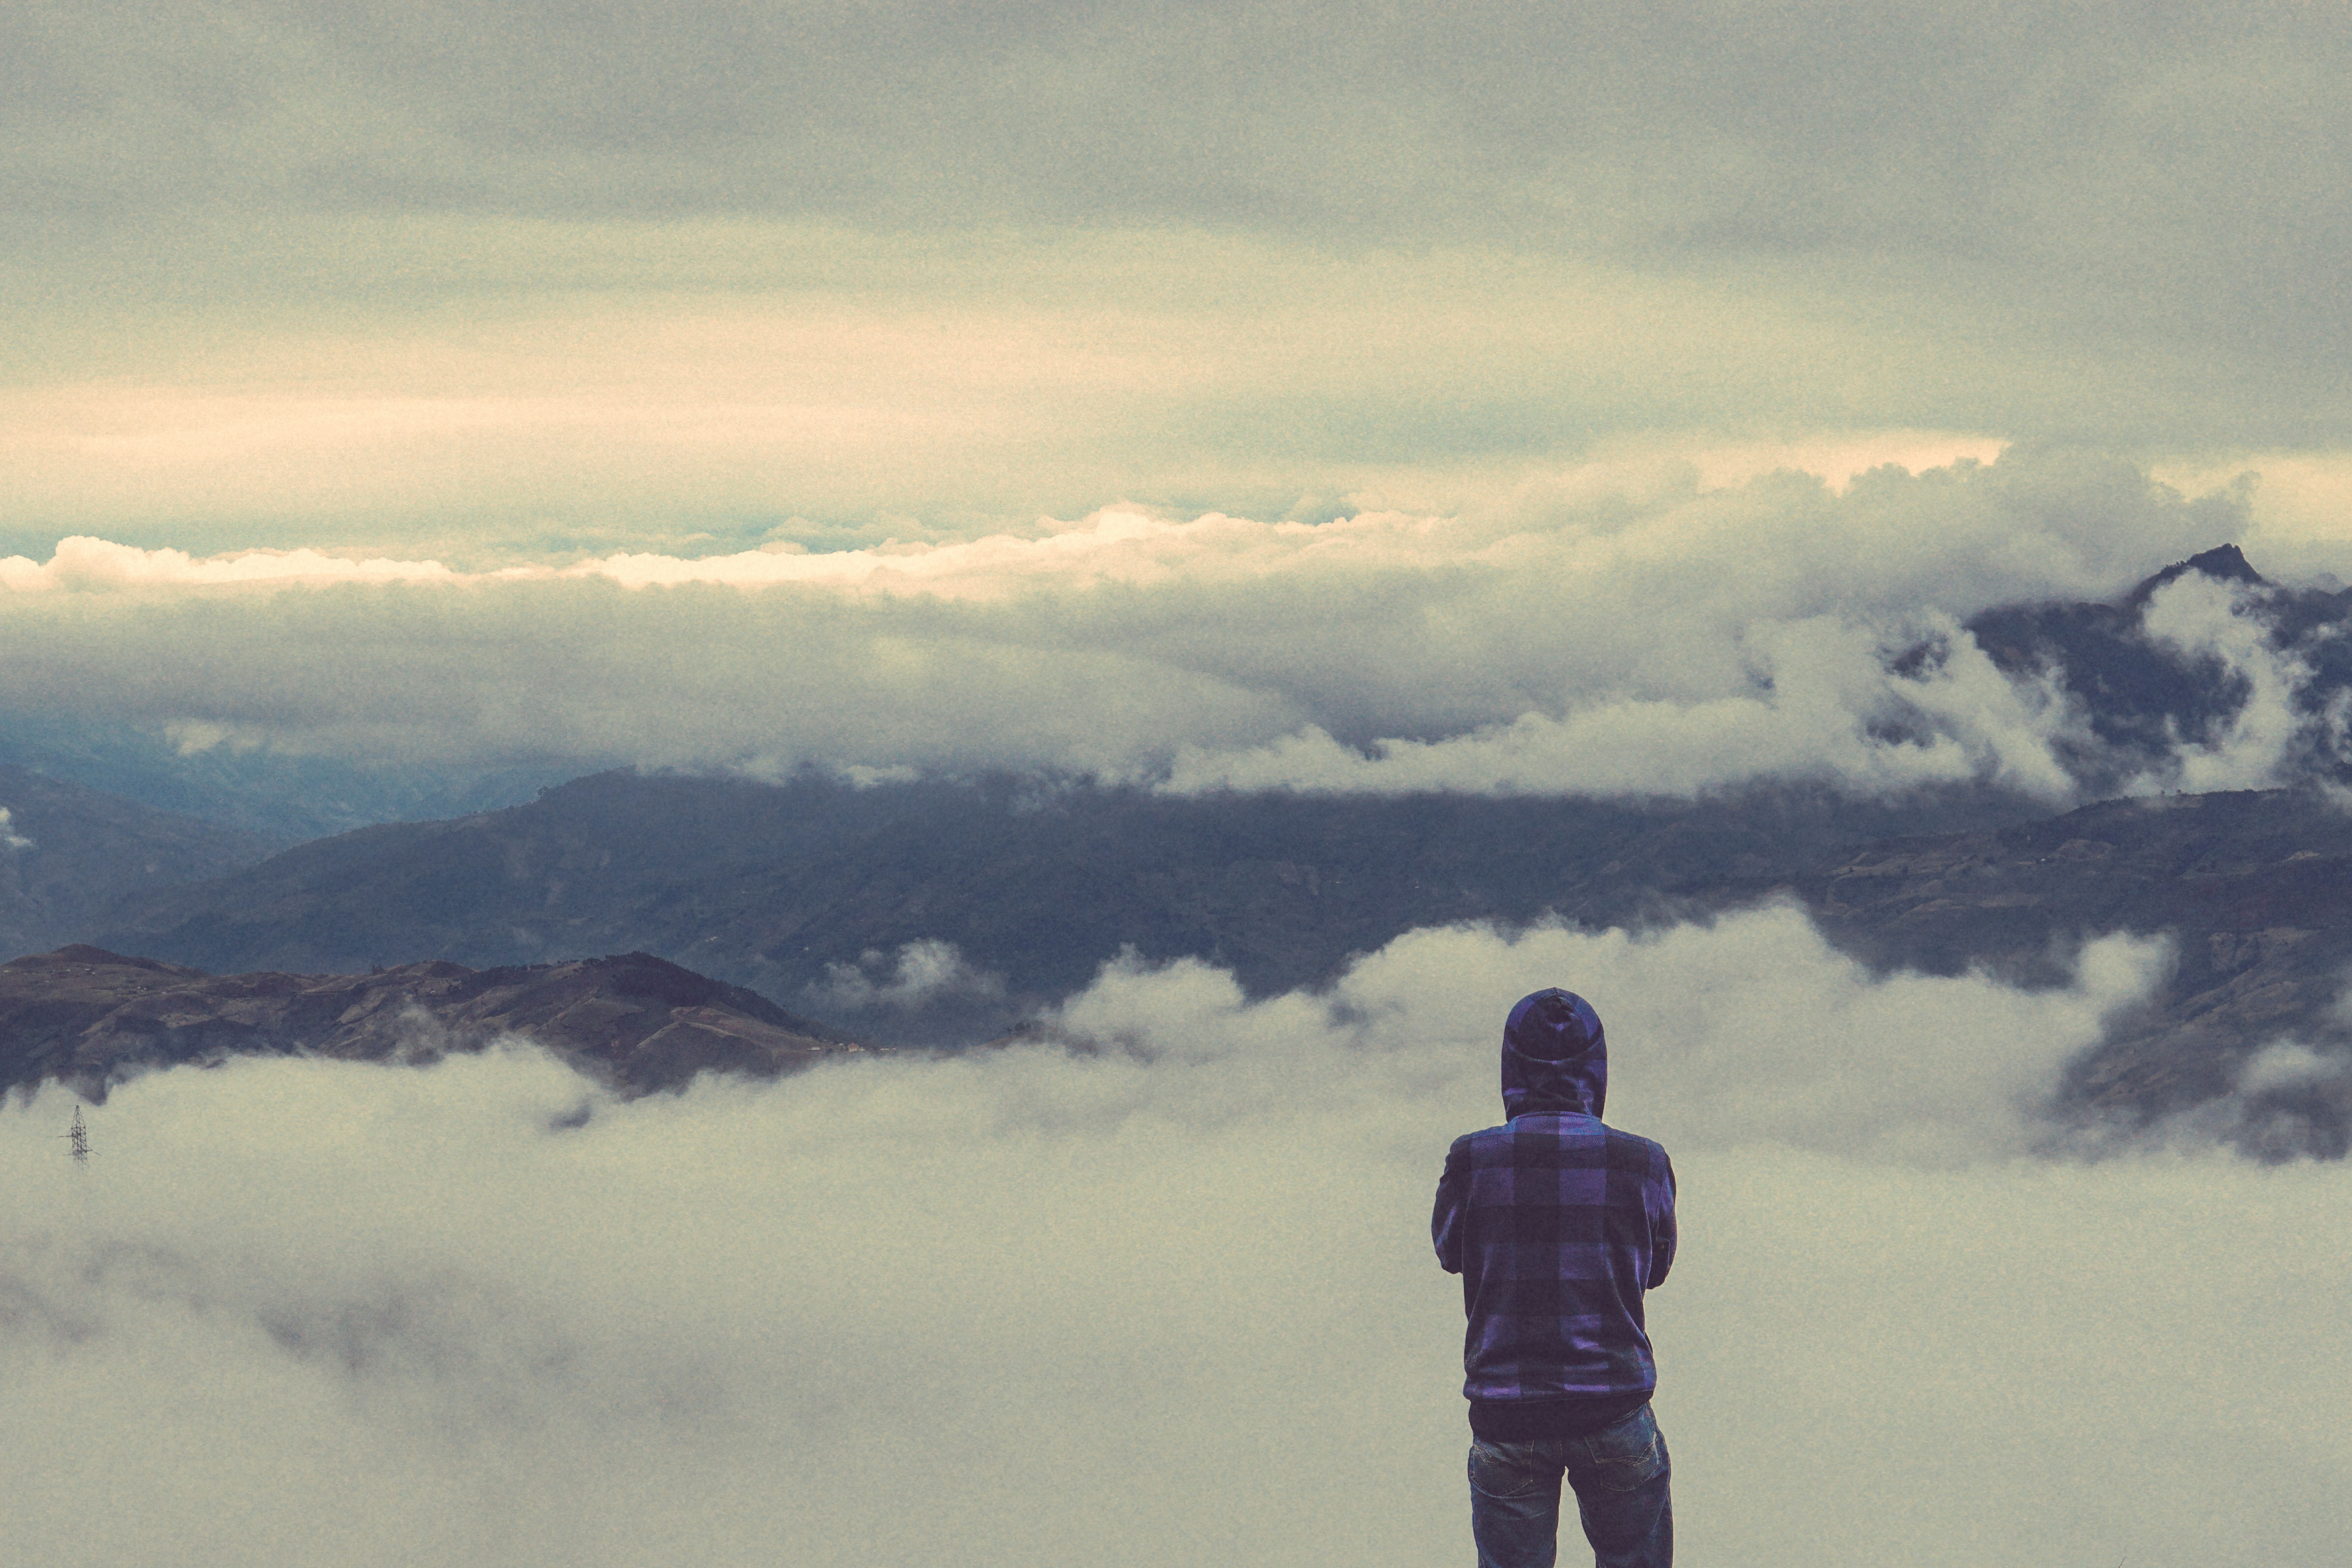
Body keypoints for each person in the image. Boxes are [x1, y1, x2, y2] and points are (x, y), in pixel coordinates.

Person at [1433, 988, 1678, 1568]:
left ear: (1510, 1066)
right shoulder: (1643, 1161)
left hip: (1507, 1414)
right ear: (1596, 1066)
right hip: (1613, 1408)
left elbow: (1449, 1252)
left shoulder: (1471, 1158)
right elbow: (1656, 1269)